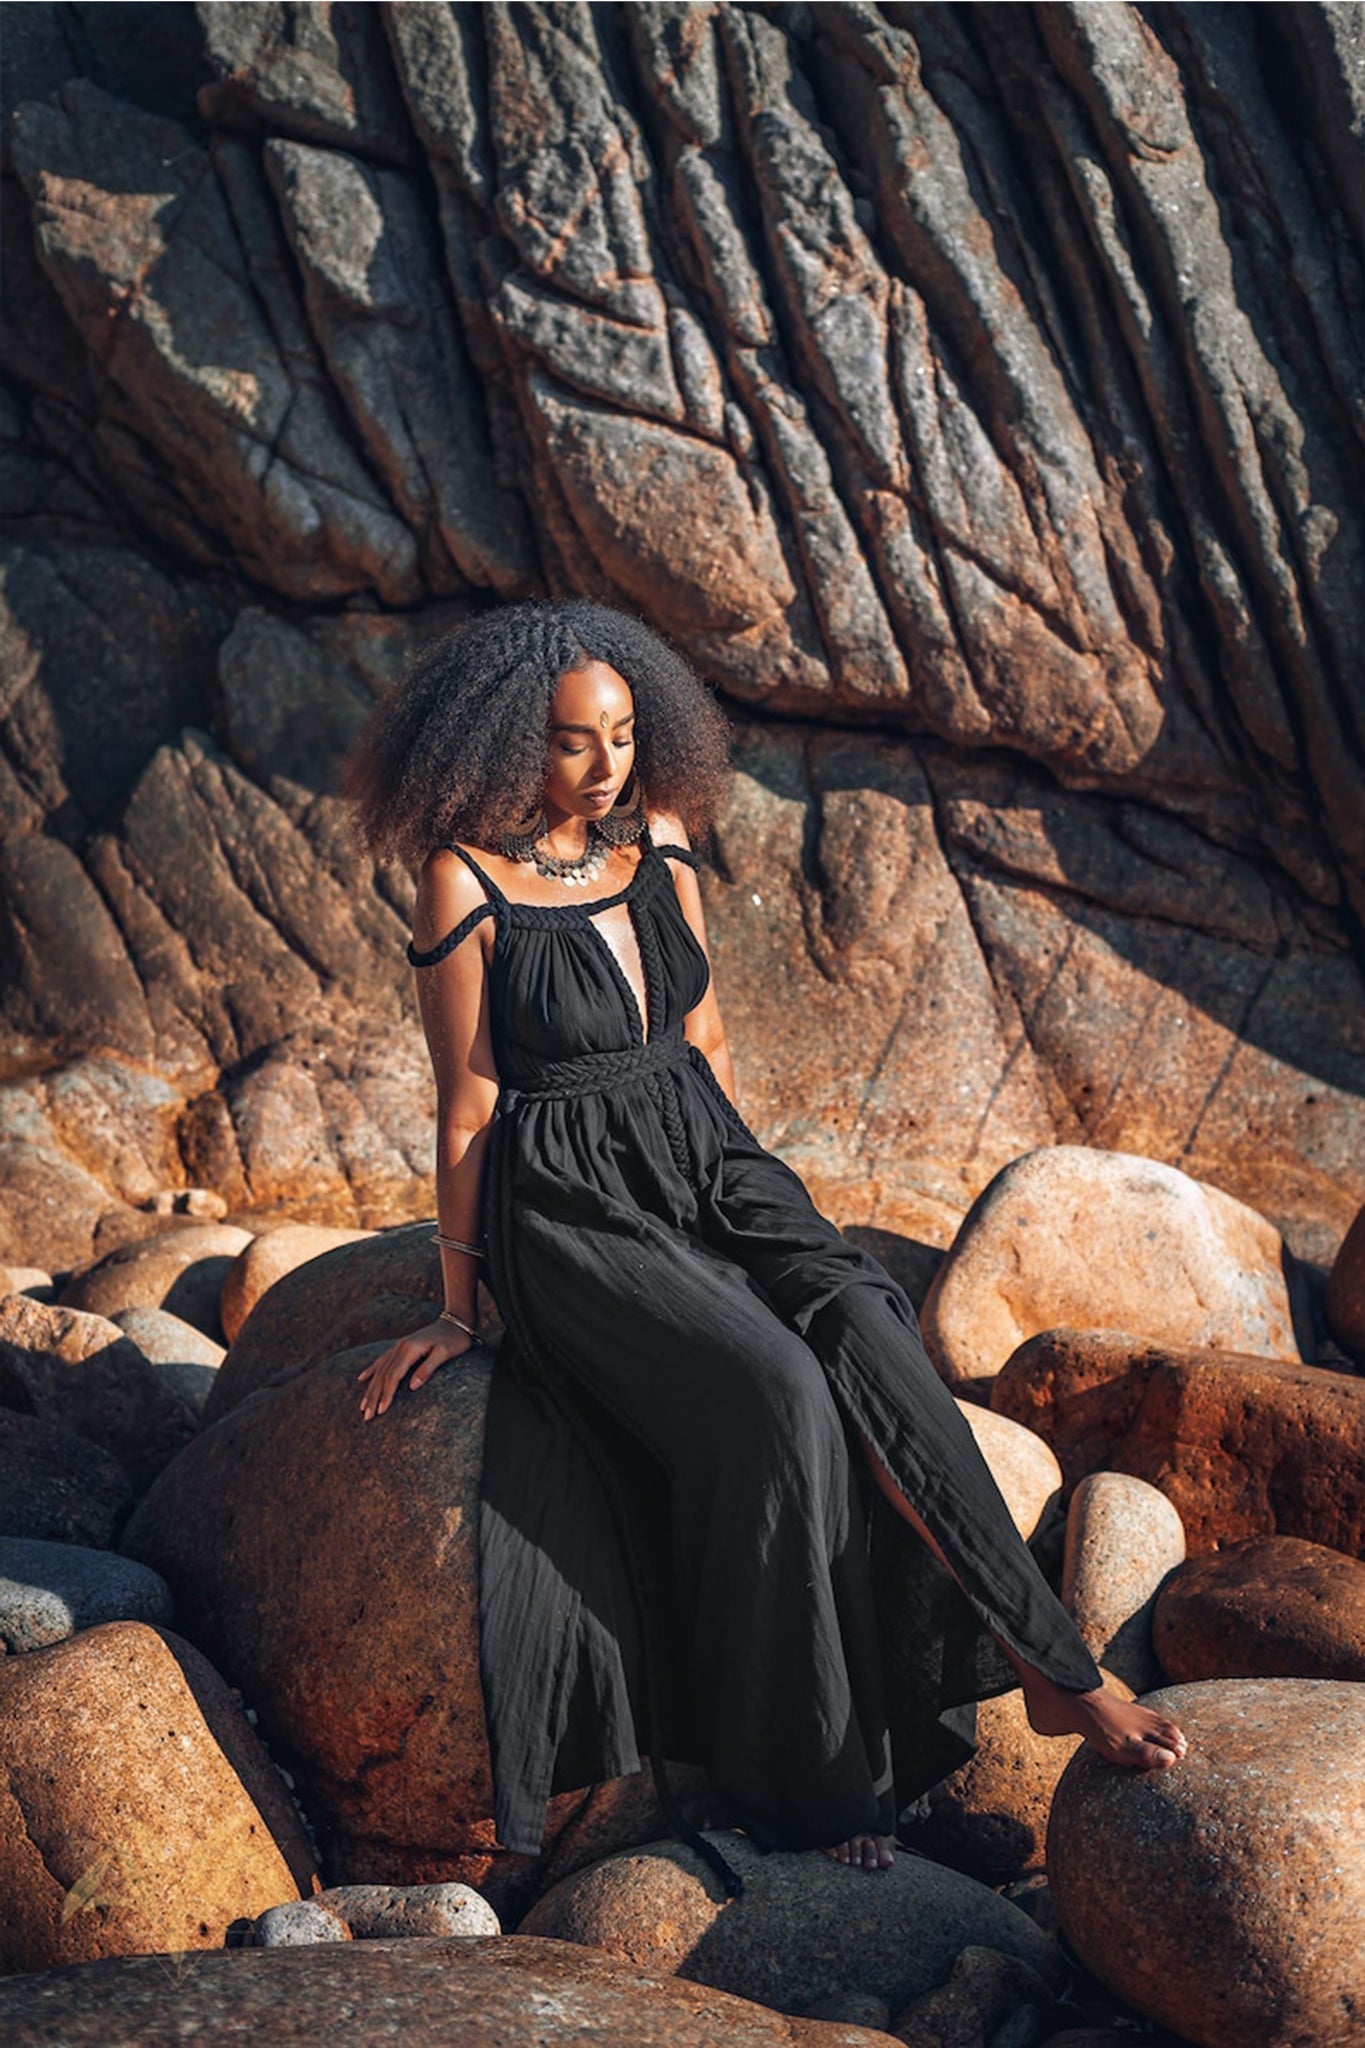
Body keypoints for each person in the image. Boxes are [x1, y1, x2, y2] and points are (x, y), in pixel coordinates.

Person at [342, 598, 1186, 1885]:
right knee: (778, 1390)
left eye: (624, 733)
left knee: (862, 1321)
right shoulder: (464, 876)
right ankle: (815, 1775)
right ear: (509, 744)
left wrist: (746, 1202)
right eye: (575, 742)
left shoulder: (661, 840)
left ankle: (1052, 1669)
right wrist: (460, 1308)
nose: (607, 763)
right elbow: (469, 1106)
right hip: (568, 1202)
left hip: (703, 1158)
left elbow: (710, 1039)